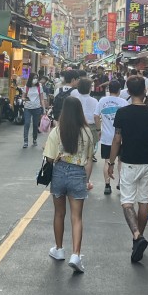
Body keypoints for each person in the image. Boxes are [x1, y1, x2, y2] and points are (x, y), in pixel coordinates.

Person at [107, 76, 148, 263]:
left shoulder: (122, 113)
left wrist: (110, 163)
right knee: (144, 203)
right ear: (144, 91)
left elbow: (117, 139)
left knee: (127, 202)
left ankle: (137, 235)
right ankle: (138, 238)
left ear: (128, 90)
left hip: (129, 163)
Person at [43, 98, 96, 273]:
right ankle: (76, 254)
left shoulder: (57, 131)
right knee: (77, 217)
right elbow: (89, 160)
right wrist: (86, 180)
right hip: (77, 173)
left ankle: (59, 250)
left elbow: (49, 158)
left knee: (59, 213)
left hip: (59, 173)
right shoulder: (88, 133)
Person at [95, 80, 127, 195]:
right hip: (121, 137)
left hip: (107, 137)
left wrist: (99, 130)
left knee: (107, 161)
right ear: (119, 90)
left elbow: (96, 115)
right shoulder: (123, 102)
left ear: (108, 89)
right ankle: (120, 183)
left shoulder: (102, 101)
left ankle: (107, 185)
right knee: (120, 161)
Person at [21, 74, 46, 149]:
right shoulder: (27, 87)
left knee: (35, 125)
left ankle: (34, 139)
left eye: (36, 78)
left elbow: (42, 99)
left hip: (37, 108)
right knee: (27, 123)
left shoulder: (39, 87)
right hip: (27, 108)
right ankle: (25, 141)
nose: (35, 79)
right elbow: (23, 97)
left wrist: (44, 109)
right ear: (30, 78)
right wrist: (26, 99)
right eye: (34, 78)